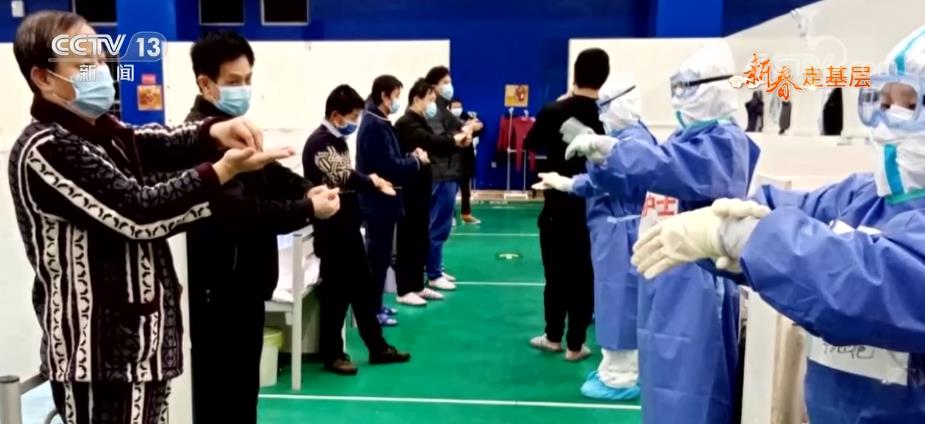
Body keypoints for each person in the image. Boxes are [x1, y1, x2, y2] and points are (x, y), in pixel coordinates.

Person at [631, 25, 925, 423]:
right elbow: (792, 210)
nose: (887, 122)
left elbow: (872, 282)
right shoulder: (866, 196)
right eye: (883, 103)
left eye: (910, 105)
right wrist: (732, 223)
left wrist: (746, 238)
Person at [8, 11, 291, 423]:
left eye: (101, 61)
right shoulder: (47, 147)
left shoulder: (103, 134)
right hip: (100, 359)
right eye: (84, 65)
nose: (100, 72)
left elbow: (154, 140)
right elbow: (138, 211)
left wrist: (211, 132)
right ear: (43, 78)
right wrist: (221, 171)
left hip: (143, 351)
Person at [550, 42, 760, 423]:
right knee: (662, 365)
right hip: (670, 267)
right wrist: (589, 170)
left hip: (697, 274)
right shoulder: (687, 137)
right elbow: (650, 174)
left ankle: (626, 378)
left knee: (692, 375)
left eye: (688, 87)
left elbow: (665, 167)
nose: (680, 98)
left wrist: (610, 150)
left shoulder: (724, 143)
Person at [182, 31, 340, 424]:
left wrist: (307, 188)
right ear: (206, 83)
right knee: (220, 399)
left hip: (246, 289)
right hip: (218, 294)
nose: (244, 89)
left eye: (248, 79)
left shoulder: (236, 128)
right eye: (234, 81)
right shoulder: (198, 141)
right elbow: (244, 211)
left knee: (243, 396)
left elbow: (270, 173)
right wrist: (309, 208)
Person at [532, 77, 654, 399]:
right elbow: (604, 180)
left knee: (620, 302)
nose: (602, 115)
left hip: (621, 233)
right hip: (611, 230)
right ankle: (614, 367)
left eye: (605, 108)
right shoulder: (626, 138)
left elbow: (620, 179)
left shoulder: (634, 141)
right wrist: (568, 183)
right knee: (611, 299)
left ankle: (621, 376)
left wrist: (596, 157)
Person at [303, 84, 412, 375]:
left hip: (348, 227)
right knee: (336, 296)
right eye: (352, 117)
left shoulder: (337, 140)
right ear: (336, 115)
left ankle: (377, 347)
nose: (354, 123)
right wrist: (372, 181)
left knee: (363, 290)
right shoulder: (319, 143)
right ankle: (333, 354)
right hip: (331, 231)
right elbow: (342, 176)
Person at [523, 48, 609, 362]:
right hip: (593, 209)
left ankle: (553, 336)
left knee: (556, 274)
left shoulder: (554, 110)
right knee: (585, 275)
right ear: (605, 77)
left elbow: (530, 143)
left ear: (575, 73)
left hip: (557, 206)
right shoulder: (608, 115)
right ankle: (576, 344)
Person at [356, 75, 428, 325]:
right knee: (377, 259)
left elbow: (391, 157)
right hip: (377, 202)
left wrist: (408, 156)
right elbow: (389, 166)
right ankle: (371, 310)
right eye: (396, 96)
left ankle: (376, 304)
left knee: (382, 257)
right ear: (384, 96)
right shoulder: (375, 125)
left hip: (384, 202)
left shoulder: (380, 121)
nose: (398, 101)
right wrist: (416, 161)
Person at [394, 80, 470, 306]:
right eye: (429, 99)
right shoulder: (407, 123)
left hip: (421, 189)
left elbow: (436, 145)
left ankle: (417, 285)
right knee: (408, 241)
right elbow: (430, 141)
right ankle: (404, 289)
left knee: (420, 239)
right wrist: (454, 139)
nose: (432, 105)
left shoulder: (420, 121)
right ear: (417, 98)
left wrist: (456, 144)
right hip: (409, 190)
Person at [424, 66, 477, 289]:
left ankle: (436, 266)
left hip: (450, 172)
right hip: (441, 174)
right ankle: (433, 273)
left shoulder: (443, 109)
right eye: (445, 82)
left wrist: (466, 132)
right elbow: (443, 139)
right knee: (438, 225)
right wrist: (462, 136)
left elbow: (458, 129)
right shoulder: (432, 111)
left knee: (441, 225)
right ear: (433, 86)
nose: (449, 86)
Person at [449, 97, 484, 224]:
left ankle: (466, 214)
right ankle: (450, 216)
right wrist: (465, 127)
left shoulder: (468, 117)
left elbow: (480, 125)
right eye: (454, 107)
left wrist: (472, 126)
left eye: (459, 106)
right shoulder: (447, 119)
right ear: (449, 108)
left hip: (466, 159)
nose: (457, 109)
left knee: (466, 190)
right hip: (451, 160)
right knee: (450, 190)